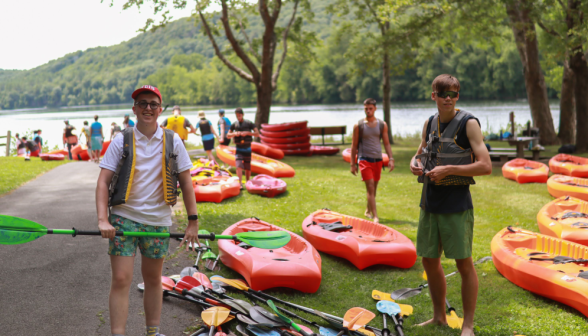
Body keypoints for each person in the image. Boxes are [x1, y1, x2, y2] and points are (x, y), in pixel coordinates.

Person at [96, 85, 199, 336]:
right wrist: (102, 220)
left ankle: (152, 332)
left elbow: (186, 182)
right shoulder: (121, 140)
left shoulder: (173, 141)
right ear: (134, 109)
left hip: (158, 221)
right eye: (143, 103)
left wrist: (193, 221)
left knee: (153, 279)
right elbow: (103, 182)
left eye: (153, 104)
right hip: (124, 219)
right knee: (121, 278)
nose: (148, 108)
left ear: (160, 109)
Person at [409, 74, 491, 336]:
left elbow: (486, 165)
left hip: (456, 203)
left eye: (453, 94)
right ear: (433, 95)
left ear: (458, 96)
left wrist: (449, 169)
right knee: (429, 261)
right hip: (429, 202)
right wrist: (415, 162)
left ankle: (468, 324)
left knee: (463, 264)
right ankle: (438, 317)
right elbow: (421, 150)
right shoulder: (429, 122)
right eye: (442, 93)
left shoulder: (469, 123)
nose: (448, 98)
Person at [349, 98, 394, 224]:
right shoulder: (358, 125)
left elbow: (386, 143)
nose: (368, 111)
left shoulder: (382, 125)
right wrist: (353, 164)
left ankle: (368, 211)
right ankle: (375, 216)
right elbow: (354, 146)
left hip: (378, 160)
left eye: (370, 108)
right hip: (364, 160)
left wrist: (391, 158)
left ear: (375, 109)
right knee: (370, 187)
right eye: (366, 109)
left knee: (373, 188)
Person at [227, 108, 259, 189]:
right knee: (238, 166)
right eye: (237, 116)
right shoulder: (234, 124)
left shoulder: (249, 123)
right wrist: (235, 133)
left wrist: (247, 133)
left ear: (243, 114)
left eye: (240, 115)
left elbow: (257, 134)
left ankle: (248, 182)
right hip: (239, 149)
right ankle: (240, 183)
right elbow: (228, 135)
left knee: (247, 167)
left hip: (247, 148)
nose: (238, 117)